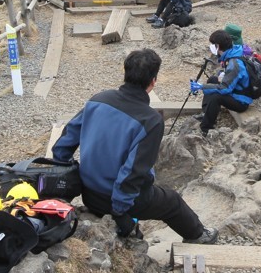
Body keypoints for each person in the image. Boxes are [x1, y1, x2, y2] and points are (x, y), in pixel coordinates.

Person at [52, 49, 218, 244]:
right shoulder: (151, 120)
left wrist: (64, 176)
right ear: (153, 81)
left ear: (125, 73)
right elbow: (133, 171)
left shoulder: (98, 100)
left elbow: (64, 143)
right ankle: (198, 235)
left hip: (88, 192)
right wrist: (119, 212)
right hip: (115, 201)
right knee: (172, 201)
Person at [192, 30, 254, 136]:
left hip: (241, 101)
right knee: (212, 79)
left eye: (213, 45)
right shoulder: (233, 53)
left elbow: (225, 88)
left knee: (216, 96)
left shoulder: (234, 64)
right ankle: (206, 112)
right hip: (237, 90)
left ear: (218, 46)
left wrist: (202, 87)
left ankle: (206, 128)